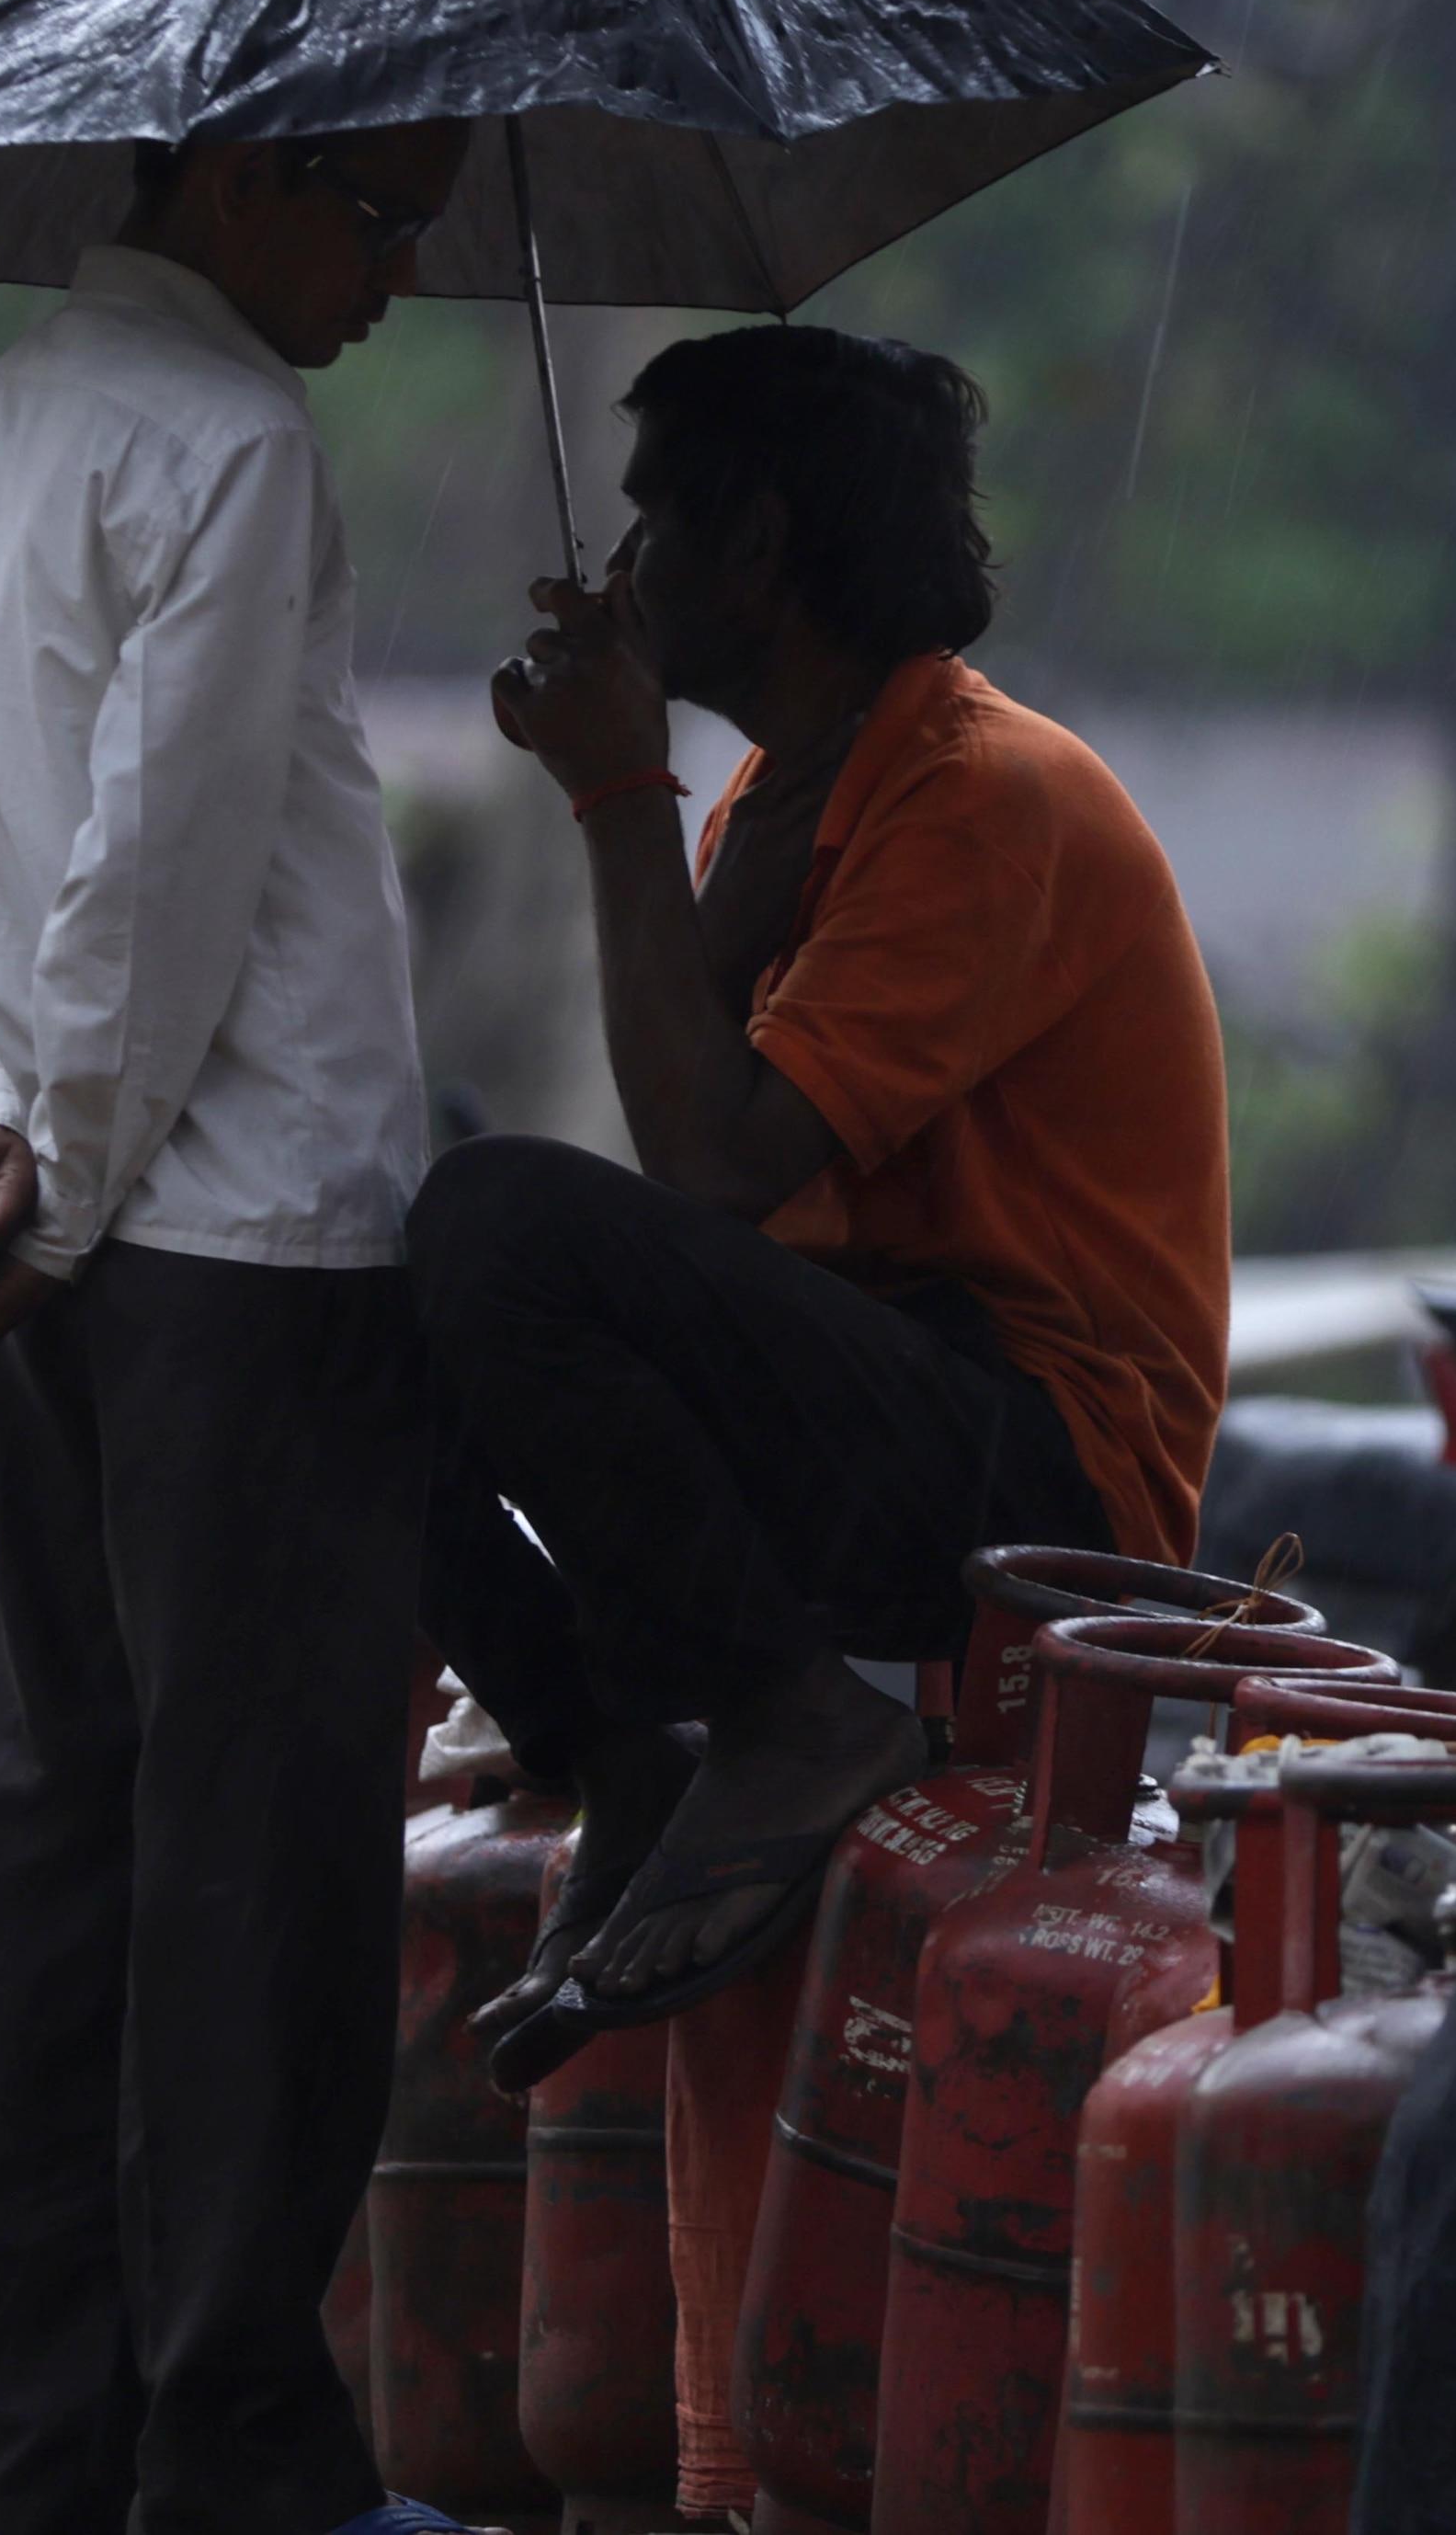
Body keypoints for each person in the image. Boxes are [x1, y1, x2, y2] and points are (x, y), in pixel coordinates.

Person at [0, 118, 470, 2535]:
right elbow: (171, 848)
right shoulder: (232, 439)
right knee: (263, 1873)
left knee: (74, 1855)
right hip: (249, 1244)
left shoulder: (4, 415)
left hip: (74, 1249)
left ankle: (31, 2451)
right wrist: (76, 1166)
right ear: (244, 183)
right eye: (383, 213)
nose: (403, 274)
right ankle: (231, 2451)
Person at [420, 322, 1233, 2073]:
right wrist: (638, 795)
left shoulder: (983, 796)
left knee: (487, 1218)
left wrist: (621, 787)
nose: (617, 569)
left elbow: (706, 1164)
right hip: (889, 1384)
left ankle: (792, 1719)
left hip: (1047, 1471)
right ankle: (617, 1742)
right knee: (354, 1289)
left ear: (763, 542)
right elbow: (687, 1139)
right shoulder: (800, 797)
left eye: (652, 528)